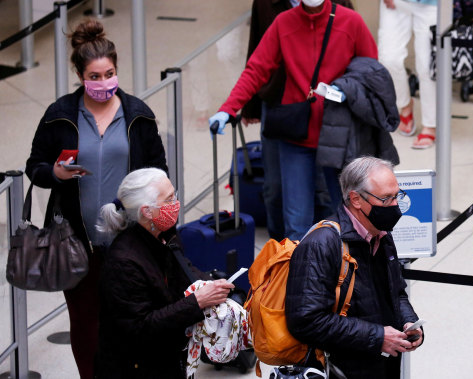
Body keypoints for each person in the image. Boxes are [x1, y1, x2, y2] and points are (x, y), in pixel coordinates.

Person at [24, 19, 167, 379]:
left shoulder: (138, 116)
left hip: (129, 242)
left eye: (110, 74)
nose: (104, 83)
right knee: (86, 324)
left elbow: (159, 171)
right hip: (76, 243)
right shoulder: (60, 116)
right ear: (79, 74)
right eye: (95, 76)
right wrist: (54, 174)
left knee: (129, 320)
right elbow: (34, 166)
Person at [209, 0, 377, 241]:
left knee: (348, 216)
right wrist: (228, 108)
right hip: (296, 137)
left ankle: (348, 274)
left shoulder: (350, 21)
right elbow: (256, 69)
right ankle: (296, 272)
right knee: (296, 223)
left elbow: (371, 71)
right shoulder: (283, 23)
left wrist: (348, 90)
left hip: (339, 135)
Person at [285, 157, 423, 378]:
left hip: (382, 365)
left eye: (397, 196)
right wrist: (378, 337)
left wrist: (409, 322)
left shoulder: (382, 235)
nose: (396, 206)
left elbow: (396, 292)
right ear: (356, 199)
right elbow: (305, 321)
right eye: (387, 199)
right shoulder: (321, 245)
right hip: (341, 370)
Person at [95, 168, 235, 378]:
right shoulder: (123, 262)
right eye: (169, 199)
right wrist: (197, 302)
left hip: (166, 357)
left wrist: (211, 285)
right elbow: (141, 328)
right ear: (147, 211)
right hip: (135, 367)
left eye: (174, 195)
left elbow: (182, 272)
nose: (176, 204)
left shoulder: (163, 235)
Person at [240, 0, 356, 240]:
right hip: (280, 109)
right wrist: (249, 106)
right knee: (275, 188)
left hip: (325, 112)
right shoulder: (267, 4)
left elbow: (358, 59)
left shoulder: (339, 5)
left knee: (323, 189)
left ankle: (326, 248)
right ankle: (280, 249)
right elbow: (256, 52)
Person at [378, 0, 437, 149]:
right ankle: (404, 104)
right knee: (388, 58)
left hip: (431, 4)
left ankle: (430, 125)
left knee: (427, 66)